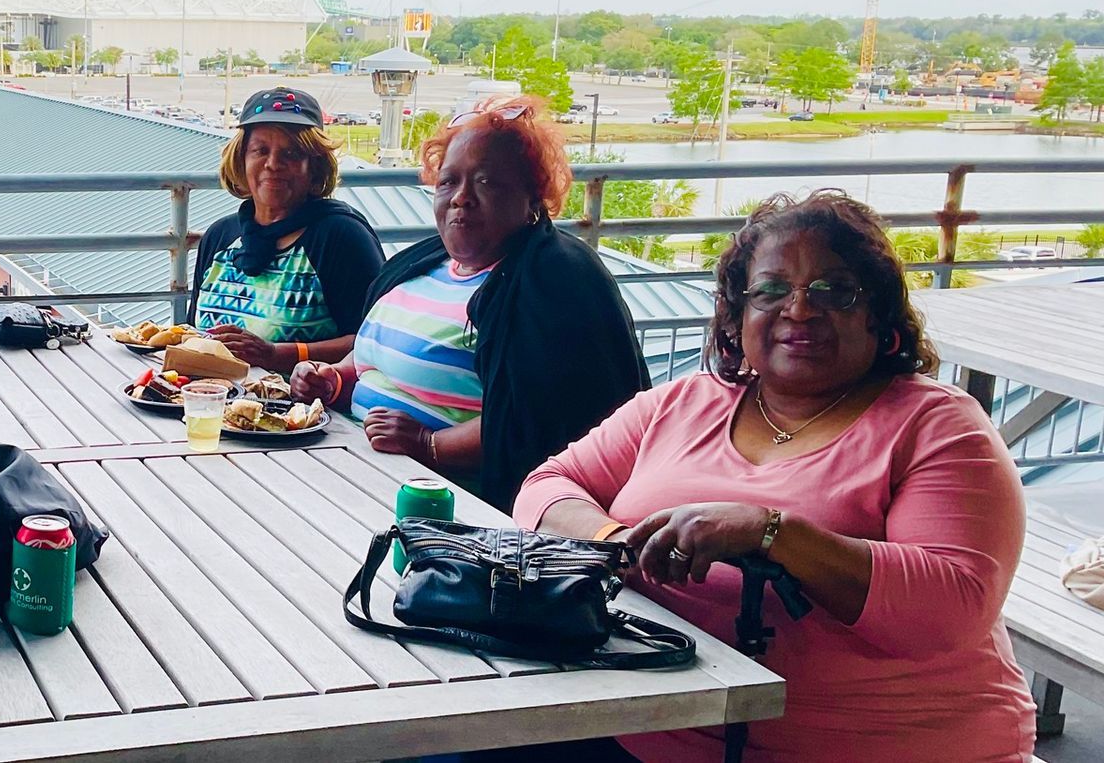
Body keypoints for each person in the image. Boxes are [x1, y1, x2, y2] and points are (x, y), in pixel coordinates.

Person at [515, 190, 1035, 761]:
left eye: (833, 291)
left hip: (883, 743)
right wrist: (613, 541)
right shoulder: (682, 403)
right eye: (771, 289)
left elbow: (951, 608)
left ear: (879, 316)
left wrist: (772, 533)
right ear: (736, 318)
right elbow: (547, 487)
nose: (801, 309)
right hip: (649, 724)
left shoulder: (937, 425)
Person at [290, 95, 647, 512]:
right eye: (448, 181)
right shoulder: (424, 262)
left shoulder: (556, 280)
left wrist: (430, 444)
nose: (461, 197)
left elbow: (549, 420)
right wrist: (332, 379)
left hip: (447, 501)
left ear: (533, 197)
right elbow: (374, 359)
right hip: (349, 462)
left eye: (486, 181)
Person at [185, 87, 383, 373]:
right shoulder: (221, 237)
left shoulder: (341, 237)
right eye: (260, 151)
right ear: (241, 159)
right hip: (212, 401)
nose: (273, 164)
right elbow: (193, 333)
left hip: (306, 412)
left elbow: (374, 342)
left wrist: (276, 355)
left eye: (291, 153)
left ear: (314, 166)